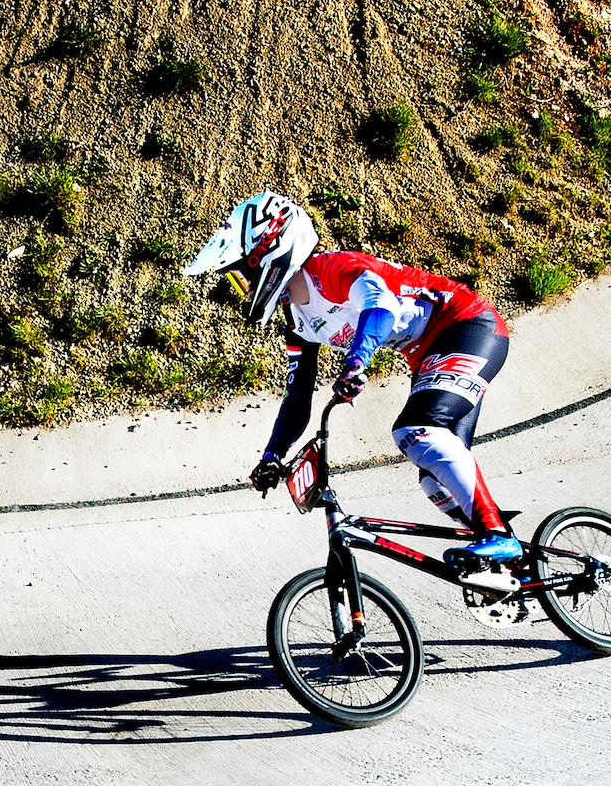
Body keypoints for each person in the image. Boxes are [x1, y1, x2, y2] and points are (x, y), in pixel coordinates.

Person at [182, 191, 523, 565]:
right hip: (427, 355)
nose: (241, 287)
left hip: (467, 326)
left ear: (269, 253)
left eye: (240, 274)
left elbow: (381, 309)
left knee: (416, 431)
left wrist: (357, 360)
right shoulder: (297, 322)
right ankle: (511, 566)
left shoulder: (333, 269)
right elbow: (296, 399)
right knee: (435, 480)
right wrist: (272, 455)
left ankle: (496, 535)